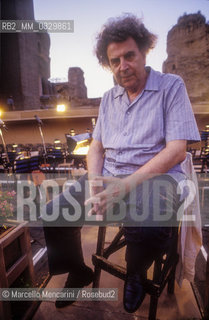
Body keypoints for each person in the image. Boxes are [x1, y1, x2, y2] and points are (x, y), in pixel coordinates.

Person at [43, 14, 200, 313]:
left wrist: (123, 188)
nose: (122, 66)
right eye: (114, 61)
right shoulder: (109, 98)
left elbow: (177, 150)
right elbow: (97, 146)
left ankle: (136, 273)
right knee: (54, 213)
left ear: (144, 52)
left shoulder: (171, 86)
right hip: (110, 177)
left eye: (129, 56)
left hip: (158, 178)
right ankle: (78, 269)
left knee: (150, 224)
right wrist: (95, 182)